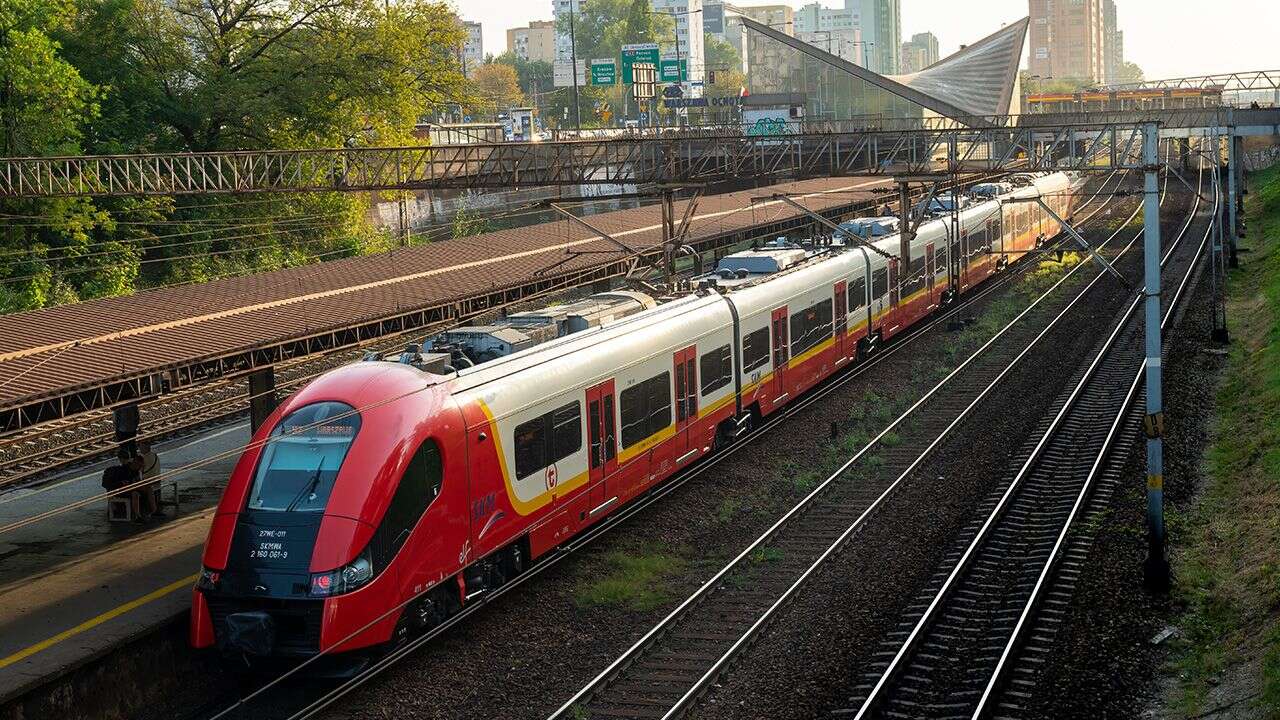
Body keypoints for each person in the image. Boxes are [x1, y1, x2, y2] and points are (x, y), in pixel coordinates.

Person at [137, 440, 163, 519]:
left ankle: (143, 510)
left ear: (145, 448)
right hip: (157, 481)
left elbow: (140, 471)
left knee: (135, 489)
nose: (139, 448)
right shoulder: (155, 455)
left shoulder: (143, 458)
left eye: (140, 447)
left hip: (149, 483)